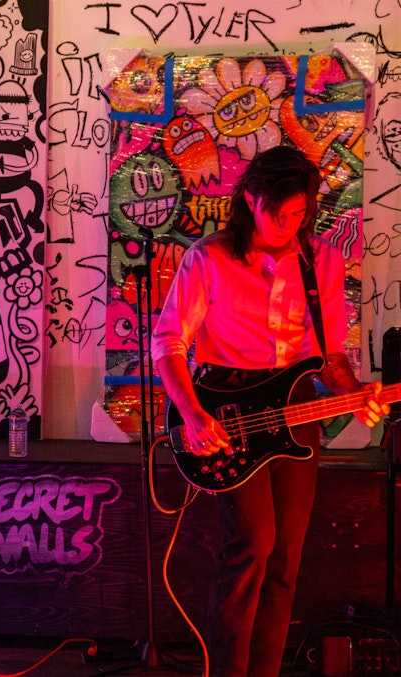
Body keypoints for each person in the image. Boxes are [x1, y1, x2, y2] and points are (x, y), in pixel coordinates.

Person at [152, 145, 386, 677]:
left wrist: (356, 393)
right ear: (251, 200)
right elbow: (168, 343)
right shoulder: (209, 257)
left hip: (296, 407)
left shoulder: (322, 259)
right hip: (228, 403)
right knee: (252, 546)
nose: (288, 224)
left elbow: (329, 355)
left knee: (285, 560)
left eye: (299, 213)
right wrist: (192, 413)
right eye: (278, 213)